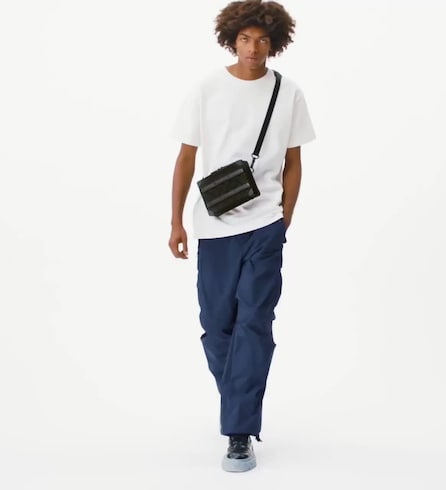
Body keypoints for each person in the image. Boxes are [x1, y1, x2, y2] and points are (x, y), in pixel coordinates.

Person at [168, 0, 315, 472]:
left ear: (276, 43)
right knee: (217, 326)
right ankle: (239, 398)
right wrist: (176, 221)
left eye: (263, 40)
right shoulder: (207, 89)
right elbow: (186, 158)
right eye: (246, 39)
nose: (254, 48)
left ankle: (239, 432)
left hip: (265, 226)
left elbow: (294, 162)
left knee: (255, 322)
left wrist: (284, 217)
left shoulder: (288, 92)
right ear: (232, 40)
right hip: (213, 226)